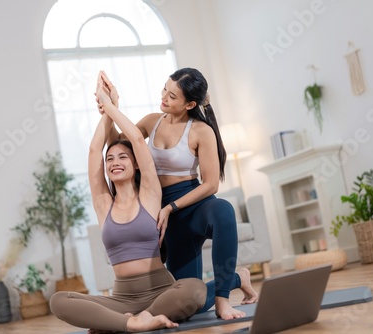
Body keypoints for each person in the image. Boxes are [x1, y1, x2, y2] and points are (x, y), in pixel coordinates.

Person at [50, 71, 207, 333]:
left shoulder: (149, 193)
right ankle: (132, 322)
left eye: (122, 158)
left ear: (135, 164)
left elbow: (136, 138)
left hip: (159, 292)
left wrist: (111, 106)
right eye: (110, 159)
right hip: (120, 299)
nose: (115, 163)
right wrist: (105, 112)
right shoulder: (103, 203)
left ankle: (132, 320)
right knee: (59, 301)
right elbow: (93, 152)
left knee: (194, 289)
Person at [106, 68, 258, 320]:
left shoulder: (200, 131)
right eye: (165, 88)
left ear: (190, 104)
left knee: (223, 210)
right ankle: (236, 278)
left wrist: (171, 207)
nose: (164, 96)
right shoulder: (150, 121)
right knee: (187, 304)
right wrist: (111, 110)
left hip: (193, 206)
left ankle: (223, 301)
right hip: (165, 215)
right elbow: (118, 148)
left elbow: (210, 184)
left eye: (172, 96)